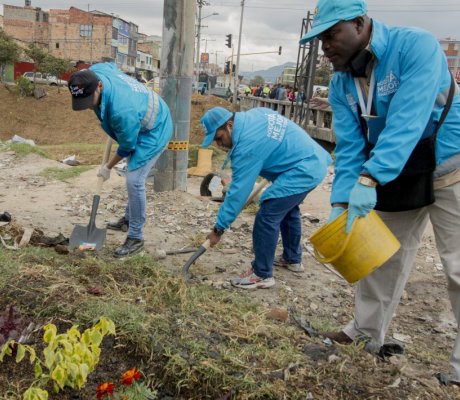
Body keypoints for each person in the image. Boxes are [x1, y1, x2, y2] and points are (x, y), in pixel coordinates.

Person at [300, 0, 460, 384]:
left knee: (457, 266)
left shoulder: (415, 47)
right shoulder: (342, 83)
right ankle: (366, 333)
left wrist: (370, 180)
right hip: (394, 174)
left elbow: (408, 118)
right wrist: (341, 201)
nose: (325, 46)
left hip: (450, 167)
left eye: (331, 34)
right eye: (320, 38)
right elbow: (351, 146)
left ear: (360, 22)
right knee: (380, 260)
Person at [200, 107, 331, 289]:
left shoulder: (247, 145)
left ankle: (261, 274)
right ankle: (292, 259)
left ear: (230, 125)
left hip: (303, 170)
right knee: (287, 209)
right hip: (312, 159)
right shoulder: (255, 114)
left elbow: (238, 192)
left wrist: (218, 229)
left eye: (219, 138)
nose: (219, 144)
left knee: (267, 215)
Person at [68, 63, 173, 257]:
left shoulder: (121, 111)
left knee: (134, 180)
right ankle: (128, 219)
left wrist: (107, 167)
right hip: (137, 117)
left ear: (99, 86)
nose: (88, 106)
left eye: (89, 100)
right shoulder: (93, 74)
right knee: (132, 175)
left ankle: (136, 237)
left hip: (156, 128)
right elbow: (108, 64)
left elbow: (127, 147)